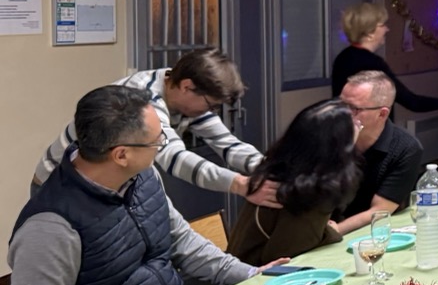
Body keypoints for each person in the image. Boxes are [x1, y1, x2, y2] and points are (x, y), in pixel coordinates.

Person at [9, 86, 277, 285]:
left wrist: (251, 275)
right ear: (121, 154)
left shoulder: (142, 176)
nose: (161, 145)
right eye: (156, 140)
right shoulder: (51, 227)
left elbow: (183, 242)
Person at [34, 48, 270, 204]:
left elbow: (228, 145)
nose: (212, 112)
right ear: (187, 87)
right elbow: (174, 158)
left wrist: (268, 169)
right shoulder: (142, 99)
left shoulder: (185, 98)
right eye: (211, 105)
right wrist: (239, 184)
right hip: (61, 183)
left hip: (108, 185)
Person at [227, 99, 362, 266]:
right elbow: (286, 257)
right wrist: (331, 234)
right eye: (353, 123)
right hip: (252, 276)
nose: (358, 125)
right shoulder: (311, 191)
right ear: (338, 145)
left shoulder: (286, 171)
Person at [330, 71, 425, 236]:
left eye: (353, 108)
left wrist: (333, 231)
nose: (342, 113)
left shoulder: (406, 148)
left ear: (382, 114)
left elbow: (380, 210)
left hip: (365, 231)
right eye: (340, 104)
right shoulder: (326, 134)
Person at [330, 1, 438, 112]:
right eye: (382, 25)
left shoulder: (343, 58)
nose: (387, 29)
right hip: (370, 133)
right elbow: (411, 102)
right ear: (369, 33)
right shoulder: (372, 63)